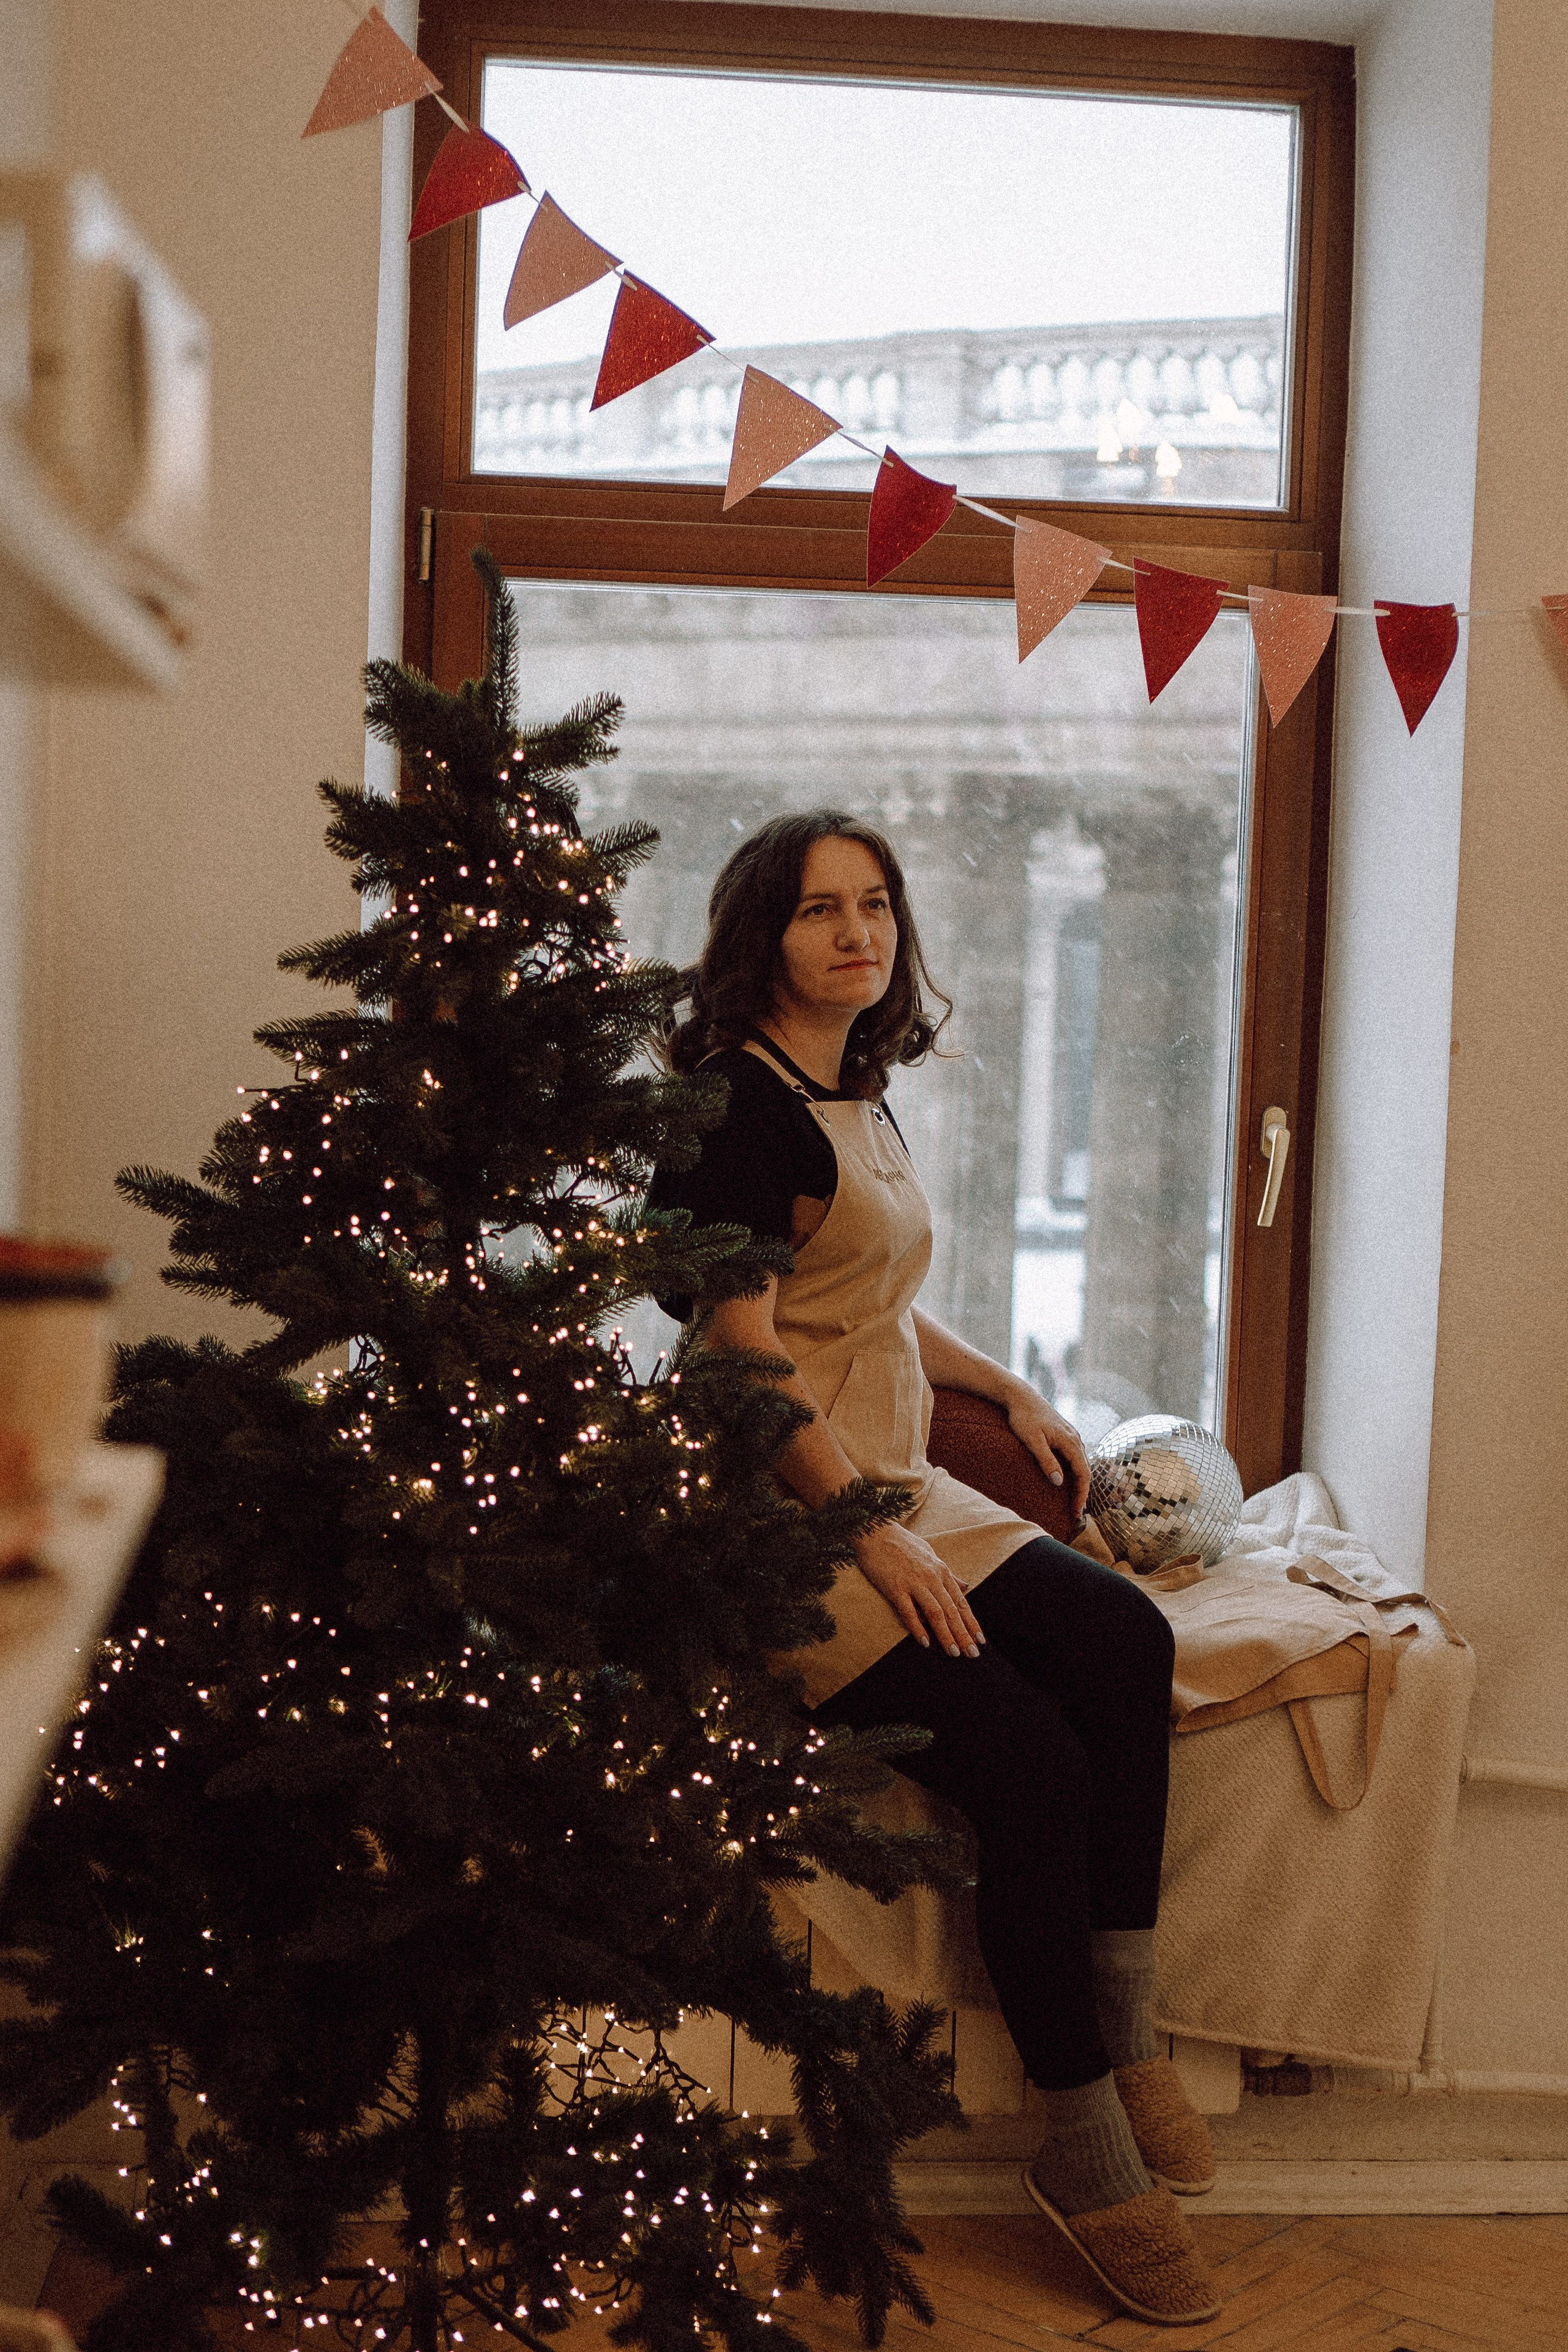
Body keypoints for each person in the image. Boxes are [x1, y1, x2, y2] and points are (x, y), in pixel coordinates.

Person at [650, 811, 1222, 2330]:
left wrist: (1010, 1388)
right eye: (818, 910)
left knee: (1121, 1642)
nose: (856, 933)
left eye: (876, 905)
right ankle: (1081, 2139)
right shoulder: (731, 1111)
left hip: (892, 1478)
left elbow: (878, 1297)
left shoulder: (855, 1087)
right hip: (785, 1516)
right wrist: (873, 1533)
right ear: (758, 934)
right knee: (1027, 1759)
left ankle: (1125, 2021)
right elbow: (738, 1361)